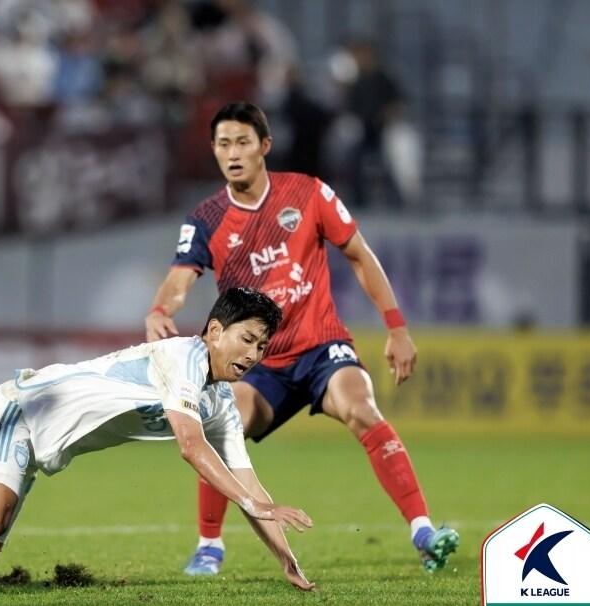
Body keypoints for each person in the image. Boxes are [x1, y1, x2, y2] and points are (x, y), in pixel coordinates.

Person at [0, 287, 316, 595]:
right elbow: (190, 446)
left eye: (262, 346)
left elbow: (250, 486)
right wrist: (253, 503)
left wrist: (286, 559)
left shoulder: (220, 402)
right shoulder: (184, 357)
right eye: (247, 339)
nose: (253, 355)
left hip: (36, 444)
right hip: (17, 411)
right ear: (215, 331)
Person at [144, 102, 458, 576]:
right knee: (223, 426)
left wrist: (396, 327)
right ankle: (209, 546)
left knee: (361, 408)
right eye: (224, 144)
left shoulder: (308, 193)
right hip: (258, 361)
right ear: (214, 150)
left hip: (320, 345)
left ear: (264, 146)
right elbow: (179, 279)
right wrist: (159, 310)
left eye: (243, 142)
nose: (233, 153)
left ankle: (423, 532)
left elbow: (359, 255)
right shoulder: (207, 217)